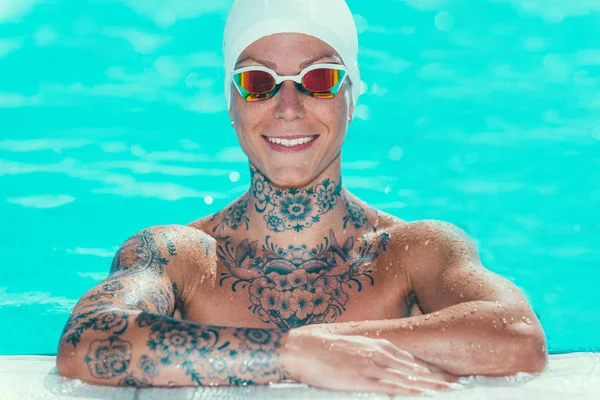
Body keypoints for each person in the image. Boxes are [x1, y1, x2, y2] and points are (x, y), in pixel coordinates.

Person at [56, 0, 547, 395]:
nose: (288, 108)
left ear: (350, 97)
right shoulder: (178, 254)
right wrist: (295, 354)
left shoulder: (411, 251)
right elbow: (86, 343)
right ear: (231, 104)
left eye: (317, 79)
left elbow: (517, 337)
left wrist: (330, 342)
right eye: (257, 82)